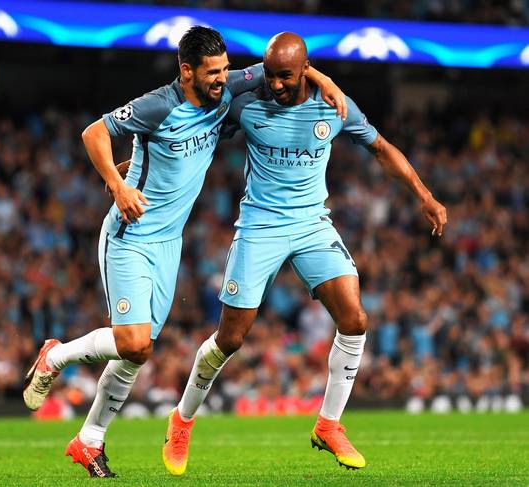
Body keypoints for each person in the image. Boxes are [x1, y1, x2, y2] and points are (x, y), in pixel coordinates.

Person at [22, 26, 347, 478]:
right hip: (131, 235)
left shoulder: (228, 87)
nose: (223, 79)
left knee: (138, 352)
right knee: (133, 341)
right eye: (212, 72)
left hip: (169, 242)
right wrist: (118, 186)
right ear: (186, 71)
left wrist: (328, 84)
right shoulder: (158, 105)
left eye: (225, 69)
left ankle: (89, 440)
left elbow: (292, 68)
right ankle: (53, 355)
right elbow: (93, 132)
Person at [162, 32, 447, 474]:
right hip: (260, 225)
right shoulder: (246, 99)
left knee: (355, 318)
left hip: (312, 223)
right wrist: (147, 158)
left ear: (305, 69)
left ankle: (328, 424)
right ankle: (181, 420)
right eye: (270, 74)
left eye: (286, 76)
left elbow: (381, 148)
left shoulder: (334, 106)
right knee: (230, 339)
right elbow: (199, 114)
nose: (274, 84)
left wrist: (425, 195)